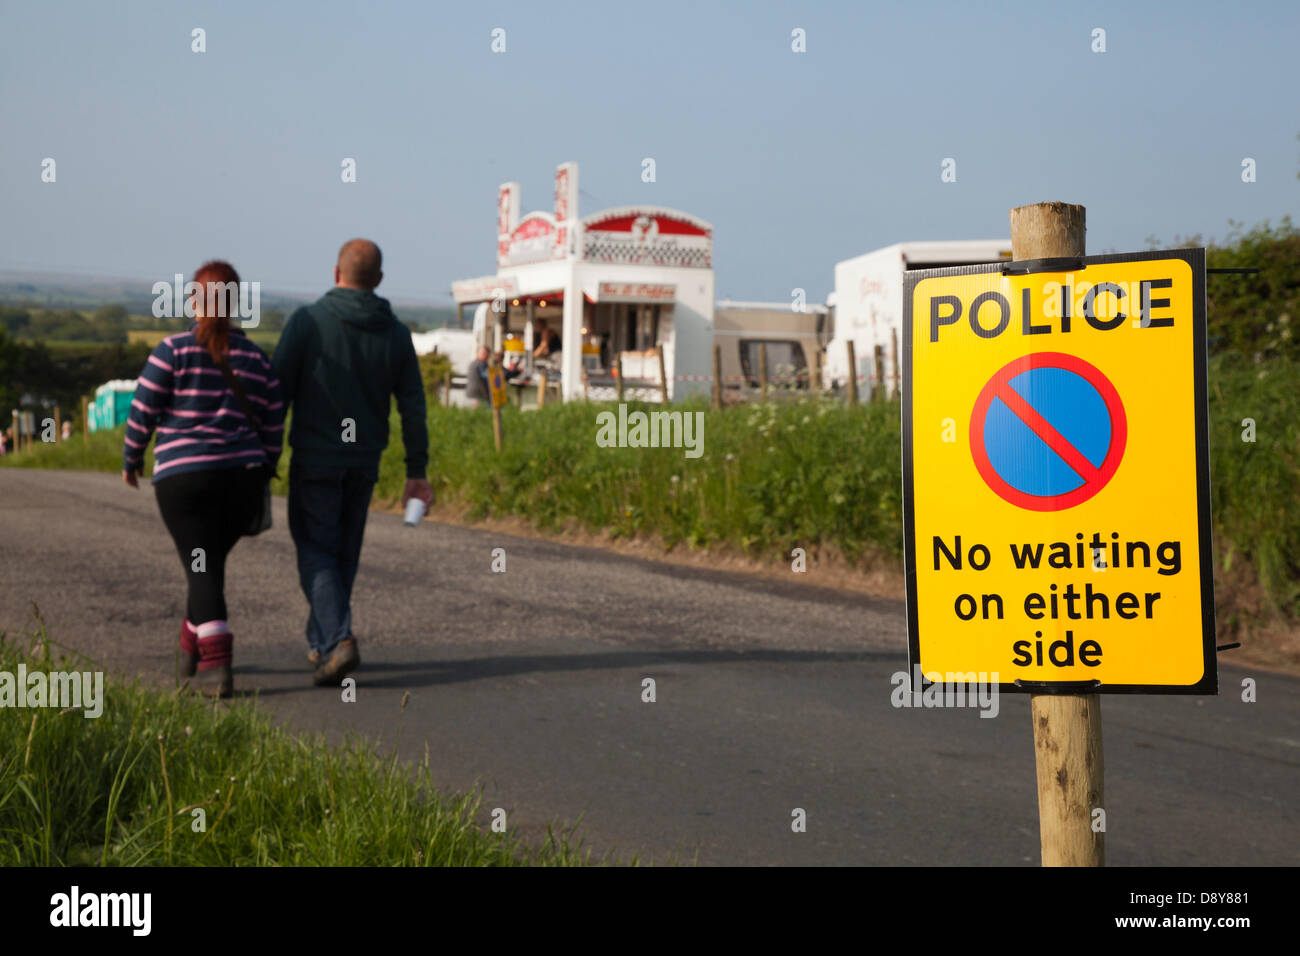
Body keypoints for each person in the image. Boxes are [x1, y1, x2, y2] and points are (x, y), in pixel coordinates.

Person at [272, 238, 432, 686]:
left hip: (315, 457)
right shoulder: (396, 333)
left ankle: (338, 639)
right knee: (343, 552)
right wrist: (416, 470)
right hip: (364, 461)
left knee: (315, 550)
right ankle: (321, 639)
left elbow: (277, 392)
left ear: (335, 271)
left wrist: (264, 452)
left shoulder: (307, 322)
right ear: (378, 280)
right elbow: (413, 406)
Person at [122, 260, 284, 698]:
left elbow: (144, 409)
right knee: (206, 564)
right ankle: (190, 643)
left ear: (194, 299)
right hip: (243, 482)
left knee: (202, 565)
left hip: (184, 479)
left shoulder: (171, 350)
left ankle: (215, 661)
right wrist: (267, 463)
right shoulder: (257, 358)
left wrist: (131, 458)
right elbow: (274, 418)